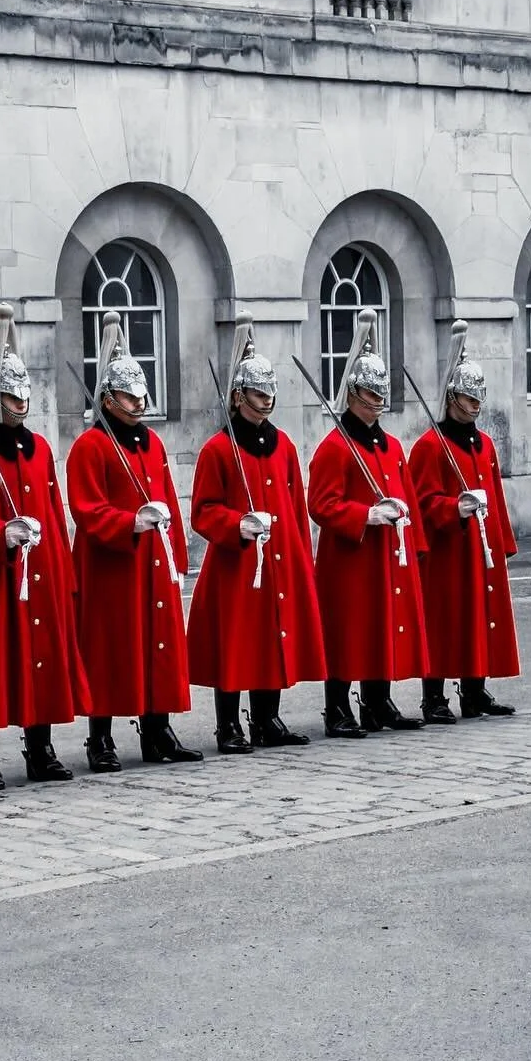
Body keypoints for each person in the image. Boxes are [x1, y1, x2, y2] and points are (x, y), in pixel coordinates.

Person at [0, 302, 90, 789]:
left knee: (42, 661)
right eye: (11, 394)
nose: (20, 401)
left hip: (41, 572)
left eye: (24, 393)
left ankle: (40, 746)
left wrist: (64, 574)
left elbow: (54, 511)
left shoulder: (42, 449)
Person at [66, 312, 202, 770]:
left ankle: (157, 728)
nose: (138, 402)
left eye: (140, 394)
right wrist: (129, 522)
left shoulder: (153, 444)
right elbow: (86, 508)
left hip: (154, 561)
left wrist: (177, 557)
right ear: (108, 399)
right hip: (112, 564)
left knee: (158, 646)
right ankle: (100, 737)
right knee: (109, 648)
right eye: (128, 395)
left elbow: (169, 503)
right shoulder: (91, 446)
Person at [187, 315, 326, 753]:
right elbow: (203, 512)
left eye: (269, 393)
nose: (265, 400)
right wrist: (237, 525)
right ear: (239, 395)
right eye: (257, 393)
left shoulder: (283, 444)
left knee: (274, 636)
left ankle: (268, 718)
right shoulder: (216, 449)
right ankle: (228, 725)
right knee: (235, 643)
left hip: (280, 557)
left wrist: (302, 557)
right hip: (236, 562)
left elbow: (296, 506)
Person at [306, 308, 430, 737]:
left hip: (387, 552)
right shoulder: (334, 448)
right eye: (371, 397)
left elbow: (409, 498)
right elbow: (319, 504)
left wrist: (413, 543)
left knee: (383, 627)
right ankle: (337, 707)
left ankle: (378, 702)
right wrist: (365, 514)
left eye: (381, 397)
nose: (378, 405)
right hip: (350, 556)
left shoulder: (392, 445)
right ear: (354, 395)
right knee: (347, 632)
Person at [409, 325, 520, 722]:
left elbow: (496, 496)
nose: (474, 405)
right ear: (452, 397)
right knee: (444, 619)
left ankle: (475, 691)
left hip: (482, 545)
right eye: (468, 398)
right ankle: (433, 697)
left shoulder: (485, 444)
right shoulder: (429, 446)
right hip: (447, 547)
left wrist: (502, 541)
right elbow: (421, 503)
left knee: (482, 615)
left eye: (478, 399)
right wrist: (454, 508)